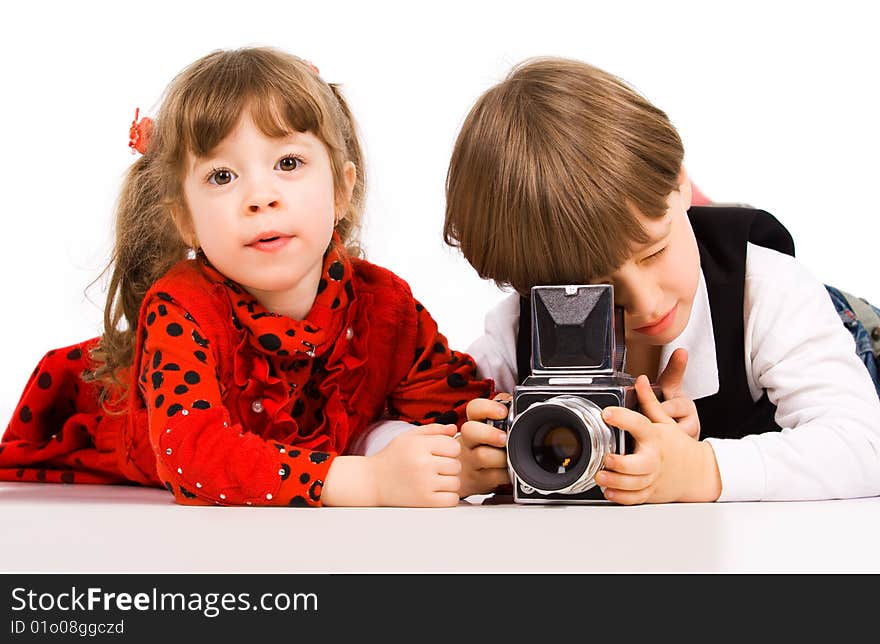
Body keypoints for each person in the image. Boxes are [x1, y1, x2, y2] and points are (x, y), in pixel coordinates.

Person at [0, 47, 493, 507]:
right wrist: (365, 482)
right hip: (114, 425)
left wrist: (480, 446)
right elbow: (193, 455)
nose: (260, 196)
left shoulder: (383, 303)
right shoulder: (181, 308)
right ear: (185, 218)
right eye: (222, 176)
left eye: (288, 163)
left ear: (342, 190)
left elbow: (451, 399)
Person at [445, 57, 880, 503]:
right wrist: (465, 460)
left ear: (680, 183)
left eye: (654, 251)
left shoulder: (767, 289)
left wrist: (700, 469)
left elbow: (864, 445)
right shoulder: (522, 327)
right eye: (600, 290)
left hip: (847, 331)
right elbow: (405, 422)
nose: (647, 302)